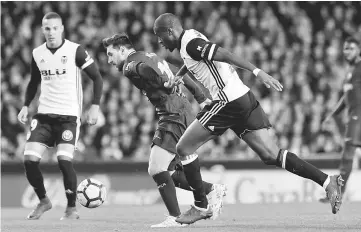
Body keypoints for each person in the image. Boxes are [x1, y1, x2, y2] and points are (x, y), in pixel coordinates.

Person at [153, 13, 344, 225]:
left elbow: (225, 54)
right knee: (271, 154)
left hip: (227, 100)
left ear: (170, 31)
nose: (159, 41)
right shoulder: (188, 41)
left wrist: (257, 71)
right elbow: (194, 61)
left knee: (184, 148)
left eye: (159, 36)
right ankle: (328, 181)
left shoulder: (190, 43)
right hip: (242, 97)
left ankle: (201, 206)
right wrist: (179, 75)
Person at [102, 33, 226, 228]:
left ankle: (175, 217)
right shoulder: (152, 56)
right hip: (181, 111)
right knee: (170, 172)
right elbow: (179, 73)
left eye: (111, 54)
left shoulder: (129, 65)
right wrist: (201, 97)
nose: (109, 60)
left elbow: (141, 70)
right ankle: (211, 190)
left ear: (123, 50)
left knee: (156, 168)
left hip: (173, 115)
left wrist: (162, 83)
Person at [17, 12, 103, 220]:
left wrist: (95, 107)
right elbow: (33, 82)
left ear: (62, 28)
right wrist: (26, 106)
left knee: (64, 161)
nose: (51, 32)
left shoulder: (75, 51)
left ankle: (71, 209)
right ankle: (44, 201)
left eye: (55, 28)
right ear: (43, 30)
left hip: (68, 117)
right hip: (44, 115)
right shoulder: (38, 53)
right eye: (47, 28)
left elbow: (97, 78)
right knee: (29, 160)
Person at [319, 37, 361, 203]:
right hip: (354, 115)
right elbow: (346, 97)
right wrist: (332, 115)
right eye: (345, 48)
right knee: (348, 154)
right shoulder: (351, 72)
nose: (347, 51)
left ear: (359, 50)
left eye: (351, 48)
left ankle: (338, 192)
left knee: (348, 154)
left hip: (358, 116)